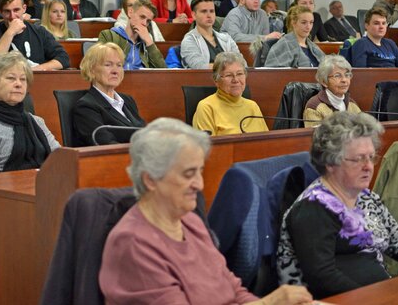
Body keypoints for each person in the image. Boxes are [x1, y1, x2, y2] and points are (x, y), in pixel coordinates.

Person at [100, 117, 314, 305]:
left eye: (200, 172)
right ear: (150, 179)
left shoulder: (190, 223)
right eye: (188, 174)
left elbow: (233, 290)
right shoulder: (133, 243)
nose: (199, 184)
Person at [277, 112, 398, 299]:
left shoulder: (367, 198)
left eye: (371, 157)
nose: (368, 166)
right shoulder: (313, 208)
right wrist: (380, 297)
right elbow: (322, 278)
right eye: (358, 159)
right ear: (330, 162)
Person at [0, 51, 60, 174]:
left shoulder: (37, 122)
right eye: (11, 78)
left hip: (46, 186)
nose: (19, 84)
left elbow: (61, 159)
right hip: (7, 190)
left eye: (23, 79)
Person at [72, 42, 145, 146]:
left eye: (119, 65)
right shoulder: (86, 107)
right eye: (108, 65)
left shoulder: (128, 100)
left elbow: (144, 133)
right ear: (91, 70)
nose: (115, 71)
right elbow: (106, 144)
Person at [0, 0, 70, 69]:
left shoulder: (39, 32)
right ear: (0, 12)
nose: (12, 16)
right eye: (7, 11)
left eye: (16, 10)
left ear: (24, 9)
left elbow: (63, 59)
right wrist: (10, 32)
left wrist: (38, 69)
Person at [192, 52, 269, 135]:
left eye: (239, 74)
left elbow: (267, 143)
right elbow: (206, 146)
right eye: (229, 75)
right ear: (216, 80)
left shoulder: (253, 106)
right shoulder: (206, 107)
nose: (235, 80)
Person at [97, 0, 166, 69]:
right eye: (142, 17)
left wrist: (149, 42)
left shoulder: (147, 43)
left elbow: (162, 71)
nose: (144, 23)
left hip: (142, 79)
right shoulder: (108, 35)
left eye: (148, 21)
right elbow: (100, 64)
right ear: (130, 13)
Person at [181, 0, 239, 69]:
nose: (209, 15)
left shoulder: (227, 38)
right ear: (194, 15)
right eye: (204, 11)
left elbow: (241, 62)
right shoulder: (189, 41)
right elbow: (200, 67)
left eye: (212, 11)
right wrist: (230, 66)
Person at [303, 55, 361, 127]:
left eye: (347, 75)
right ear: (324, 82)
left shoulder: (351, 104)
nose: (344, 80)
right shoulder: (314, 107)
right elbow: (315, 136)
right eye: (337, 76)